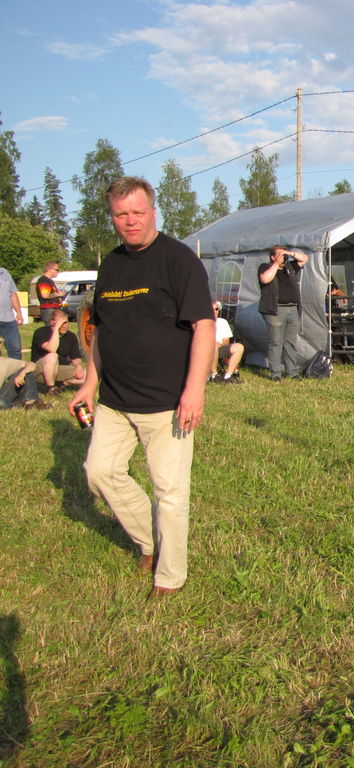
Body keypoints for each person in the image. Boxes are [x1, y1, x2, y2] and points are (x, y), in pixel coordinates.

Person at [69, 176, 215, 598]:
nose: (130, 221)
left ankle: (169, 577)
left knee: (169, 493)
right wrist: (90, 384)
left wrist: (194, 391)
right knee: (99, 472)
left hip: (167, 402)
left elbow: (204, 327)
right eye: (121, 214)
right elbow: (102, 331)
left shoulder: (179, 260)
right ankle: (150, 541)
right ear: (112, 218)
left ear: (153, 211)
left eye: (137, 212)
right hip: (115, 400)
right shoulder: (111, 265)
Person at [259, 245, 308, 381]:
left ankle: (292, 372)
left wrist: (289, 253)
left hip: (293, 309)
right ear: (272, 256)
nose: (283, 257)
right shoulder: (265, 267)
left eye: (284, 255)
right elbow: (265, 279)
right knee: (275, 342)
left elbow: (304, 258)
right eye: (279, 254)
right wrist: (276, 264)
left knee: (290, 342)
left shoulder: (290, 267)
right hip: (275, 310)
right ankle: (276, 373)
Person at [30, 309, 85, 391]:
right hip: (40, 370)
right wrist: (56, 329)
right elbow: (52, 349)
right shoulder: (41, 332)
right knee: (53, 356)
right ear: (53, 323)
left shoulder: (71, 336)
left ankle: (62, 384)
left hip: (59, 369)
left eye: (66, 322)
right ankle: (50, 389)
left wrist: (79, 367)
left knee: (87, 374)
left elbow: (76, 358)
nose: (65, 326)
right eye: (61, 323)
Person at [211, 300, 244, 383]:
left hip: (219, 348)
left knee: (239, 347)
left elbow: (226, 341)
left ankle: (228, 376)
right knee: (213, 346)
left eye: (216, 309)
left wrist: (220, 344)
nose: (215, 311)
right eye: (212, 309)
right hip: (205, 350)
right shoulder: (201, 322)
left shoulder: (222, 322)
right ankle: (214, 375)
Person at [0, 266, 23, 360]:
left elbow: (12, 293)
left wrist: (19, 312)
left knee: (15, 348)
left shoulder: (4, 272)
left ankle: (15, 369)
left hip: (8, 318)